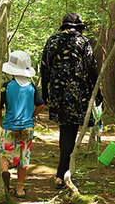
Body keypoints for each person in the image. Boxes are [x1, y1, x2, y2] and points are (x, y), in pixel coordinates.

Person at [40, 12, 101, 189]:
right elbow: (92, 69)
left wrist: (45, 93)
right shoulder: (83, 42)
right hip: (77, 95)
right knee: (69, 131)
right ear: (77, 28)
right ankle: (62, 173)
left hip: (58, 94)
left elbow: (45, 68)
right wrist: (96, 93)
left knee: (65, 130)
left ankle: (62, 171)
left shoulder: (52, 41)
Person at [0, 50, 44, 199]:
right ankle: (19, 188)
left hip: (9, 126)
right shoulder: (32, 88)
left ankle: (5, 173)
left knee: (4, 154)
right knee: (24, 158)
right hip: (27, 127)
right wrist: (32, 116)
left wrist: (1, 121)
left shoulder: (6, 86)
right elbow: (41, 104)